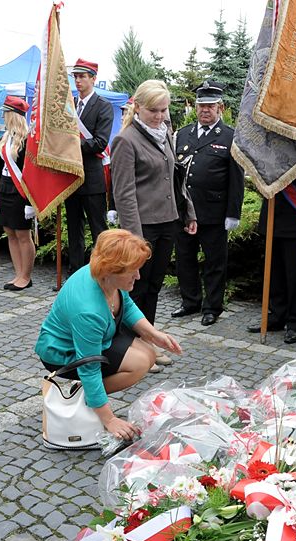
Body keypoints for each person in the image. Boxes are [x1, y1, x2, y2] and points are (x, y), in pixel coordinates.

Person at [35, 229, 183, 441]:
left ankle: (92, 392)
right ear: (111, 270)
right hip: (63, 354)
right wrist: (110, 420)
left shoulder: (105, 276)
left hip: (100, 337)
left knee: (149, 354)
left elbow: (126, 305)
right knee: (140, 363)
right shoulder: (88, 310)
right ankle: (87, 397)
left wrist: (153, 334)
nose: (138, 276)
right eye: (133, 271)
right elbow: (89, 366)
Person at [112, 79, 196, 372]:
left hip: (167, 223)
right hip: (142, 227)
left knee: (153, 287)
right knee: (135, 289)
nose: (159, 116)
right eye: (153, 111)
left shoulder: (165, 133)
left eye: (163, 110)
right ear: (137, 107)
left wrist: (188, 212)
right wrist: (134, 238)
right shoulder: (126, 141)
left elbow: (176, 179)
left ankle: (146, 342)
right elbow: (124, 193)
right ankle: (130, 348)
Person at [171, 80, 244, 326]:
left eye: (210, 106)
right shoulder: (183, 134)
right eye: (201, 105)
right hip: (184, 211)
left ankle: (212, 307)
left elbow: (236, 179)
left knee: (214, 263)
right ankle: (190, 301)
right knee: (185, 259)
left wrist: (233, 213)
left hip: (214, 211)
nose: (205, 110)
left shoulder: (230, 136)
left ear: (220, 107)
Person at [248, 132, 296, 344]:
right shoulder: (275, 139)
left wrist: (288, 158)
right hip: (272, 217)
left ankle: (295, 322)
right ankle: (276, 316)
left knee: (295, 277)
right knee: (274, 274)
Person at [67, 58, 112, 274]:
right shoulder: (70, 105)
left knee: (98, 230)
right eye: (75, 76)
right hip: (71, 177)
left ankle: (101, 273)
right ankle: (75, 273)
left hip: (92, 178)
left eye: (82, 76)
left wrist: (70, 145)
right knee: (74, 229)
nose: (78, 80)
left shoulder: (103, 106)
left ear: (93, 79)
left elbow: (100, 142)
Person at [0, 95, 35, 291]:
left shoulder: (27, 140)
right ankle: (18, 274)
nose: (3, 116)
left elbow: (31, 173)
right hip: (5, 187)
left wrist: (30, 202)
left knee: (22, 234)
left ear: (13, 115)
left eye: (5, 112)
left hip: (20, 191)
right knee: (10, 232)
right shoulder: (6, 136)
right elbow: (1, 167)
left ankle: (25, 276)